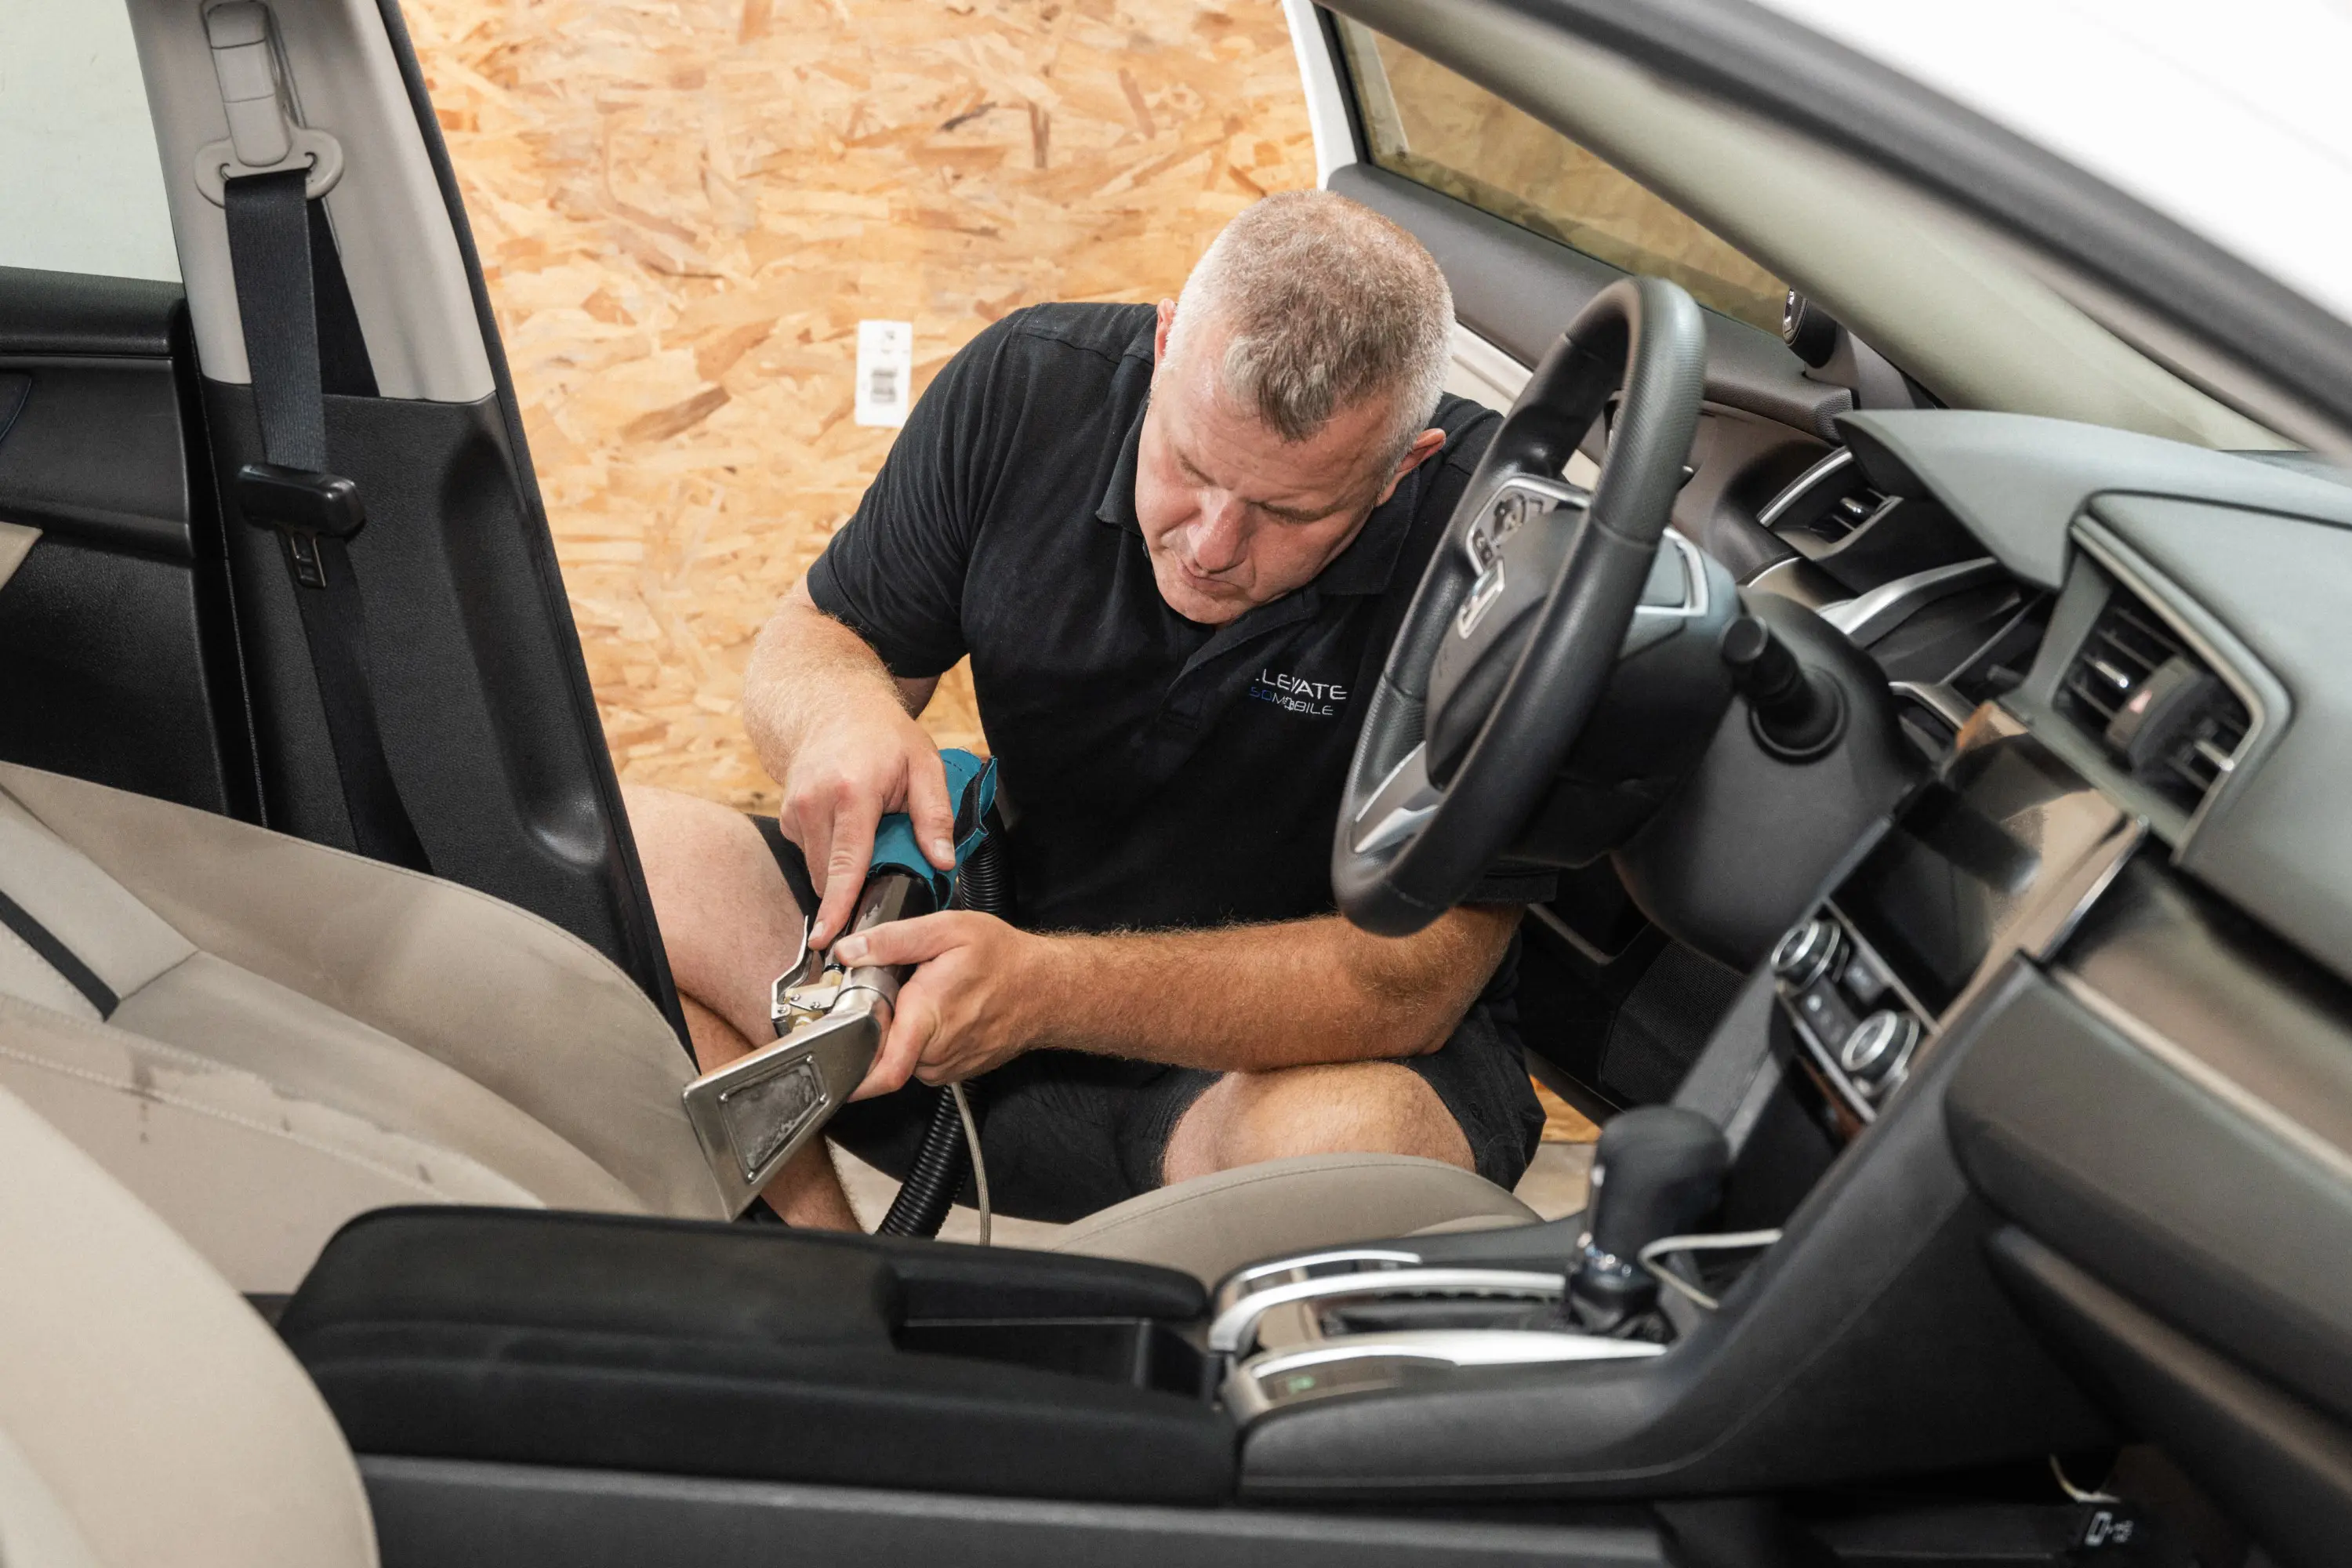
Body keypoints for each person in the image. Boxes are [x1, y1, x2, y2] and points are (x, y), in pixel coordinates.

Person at [627, 190, 1550, 1229]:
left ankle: (1160, 1371)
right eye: (1189, 467)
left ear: (1401, 469)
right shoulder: (1031, 383)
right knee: (624, 863)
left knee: (1353, 1154)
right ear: (1164, 349)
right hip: (968, 978)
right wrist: (841, 711)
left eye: (1290, 513)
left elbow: (1409, 985)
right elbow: (819, 641)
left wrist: (1050, 993)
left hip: (1265, 1067)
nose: (1208, 544)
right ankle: (829, 1298)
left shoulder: (1509, 560)